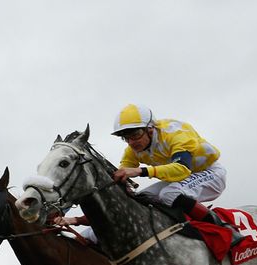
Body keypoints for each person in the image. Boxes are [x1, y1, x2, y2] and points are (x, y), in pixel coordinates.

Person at [57, 104, 241, 245]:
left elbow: (182, 169)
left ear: (150, 128)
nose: (131, 141)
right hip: (182, 179)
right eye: (125, 137)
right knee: (140, 198)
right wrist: (75, 217)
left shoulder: (175, 134)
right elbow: (120, 180)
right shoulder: (132, 149)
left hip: (209, 173)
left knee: (169, 194)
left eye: (135, 134)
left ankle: (224, 229)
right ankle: (90, 237)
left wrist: (141, 171)